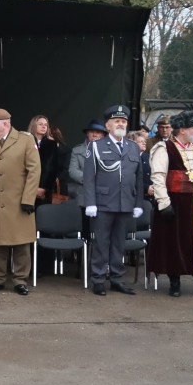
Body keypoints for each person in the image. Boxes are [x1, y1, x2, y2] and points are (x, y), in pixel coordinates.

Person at [148, 110, 193, 298]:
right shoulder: (164, 149)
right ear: (182, 129)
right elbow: (158, 177)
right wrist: (164, 203)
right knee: (175, 243)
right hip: (175, 204)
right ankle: (175, 283)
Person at [83, 105, 145, 296]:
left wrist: (138, 204)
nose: (121, 124)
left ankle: (117, 278)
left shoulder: (132, 147)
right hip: (103, 203)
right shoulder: (96, 146)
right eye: (117, 121)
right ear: (108, 126)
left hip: (125, 203)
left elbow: (139, 178)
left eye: (124, 121)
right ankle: (99, 279)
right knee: (101, 242)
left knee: (119, 243)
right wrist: (90, 202)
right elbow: (89, 177)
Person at [0, 108, 41, 295]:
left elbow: (34, 170)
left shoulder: (25, 140)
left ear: (5, 123)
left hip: (19, 202)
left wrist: (28, 198)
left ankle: (20, 280)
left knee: (21, 243)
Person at [67, 121, 108, 198]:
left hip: (105, 191)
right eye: (92, 131)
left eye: (98, 132)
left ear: (103, 135)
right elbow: (73, 170)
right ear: (87, 133)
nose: (94, 134)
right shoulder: (76, 150)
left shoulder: (110, 150)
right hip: (84, 190)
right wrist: (90, 179)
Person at [28, 115, 60, 205]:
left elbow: (52, 168)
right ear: (34, 125)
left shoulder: (51, 144)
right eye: (40, 124)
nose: (43, 126)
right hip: (27, 188)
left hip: (44, 189)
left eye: (46, 125)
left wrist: (43, 187)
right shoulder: (26, 141)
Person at [127, 130, 154, 200]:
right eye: (141, 141)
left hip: (150, 197)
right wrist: (146, 188)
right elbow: (128, 179)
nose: (144, 143)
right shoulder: (126, 158)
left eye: (144, 141)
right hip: (133, 197)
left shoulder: (148, 157)